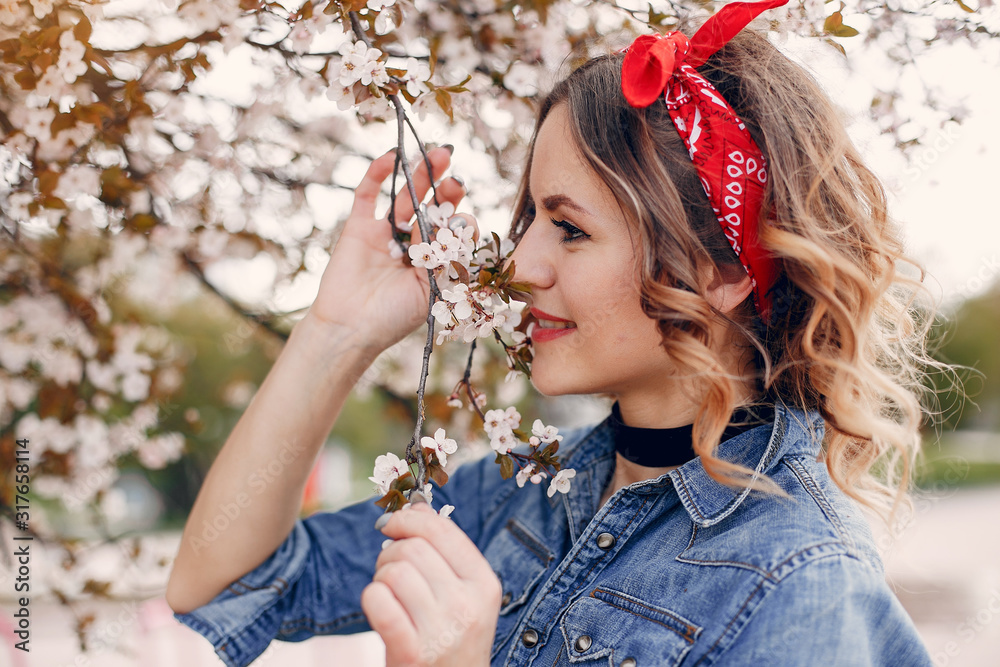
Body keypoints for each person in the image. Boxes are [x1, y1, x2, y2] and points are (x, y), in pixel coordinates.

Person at [166, 2, 940, 665]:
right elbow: (224, 581)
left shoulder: (802, 582)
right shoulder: (519, 493)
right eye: (530, 215)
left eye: (569, 228)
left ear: (722, 270)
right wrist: (336, 333)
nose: (521, 261)